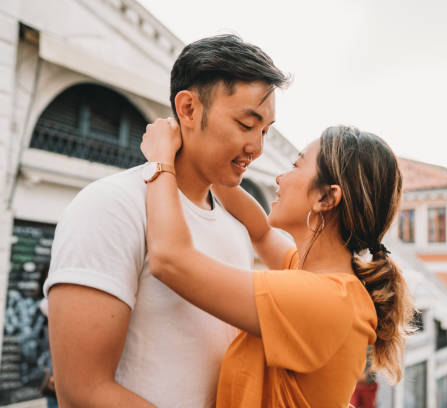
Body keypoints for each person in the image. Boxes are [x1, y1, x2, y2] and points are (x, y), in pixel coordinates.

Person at [44, 34, 289, 407]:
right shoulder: (111, 205)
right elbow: (82, 390)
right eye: (245, 124)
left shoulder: (234, 229)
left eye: (265, 131)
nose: (257, 148)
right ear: (188, 109)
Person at [139, 120, 414, 407]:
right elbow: (260, 230)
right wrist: (210, 164)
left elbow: (170, 260)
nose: (280, 178)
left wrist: (160, 158)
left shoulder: (321, 299)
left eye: (296, 166)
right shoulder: (329, 283)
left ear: (326, 197)